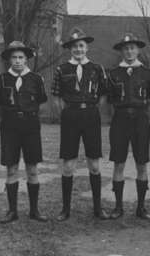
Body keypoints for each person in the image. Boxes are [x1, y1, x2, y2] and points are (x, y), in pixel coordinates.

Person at [51, 27, 109, 221]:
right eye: (75, 46)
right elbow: (57, 98)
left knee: (94, 164)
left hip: (91, 115)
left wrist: (92, 111)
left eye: (81, 46)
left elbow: (102, 95)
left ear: (87, 48)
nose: (78, 49)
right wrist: (67, 114)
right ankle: (66, 209)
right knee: (68, 165)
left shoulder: (96, 68)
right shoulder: (62, 69)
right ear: (70, 49)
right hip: (70, 116)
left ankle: (97, 208)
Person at [0, 41, 48, 223]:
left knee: (32, 168)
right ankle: (12, 211)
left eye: (21, 57)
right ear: (9, 60)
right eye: (14, 57)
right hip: (9, 127)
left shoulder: (36, 79)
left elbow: (41, 100)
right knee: (11, 169)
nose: (17, 61)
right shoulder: (2, 79)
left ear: (26, 59)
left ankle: (34, 210)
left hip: (30, 126)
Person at [107, 33, 150, 220]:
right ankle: (118, 206)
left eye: (132, 48)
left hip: (140, 119)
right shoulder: (113, 74)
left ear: (138, 50)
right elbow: (109, 99)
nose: (129, 51)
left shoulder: (147, 73)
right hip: (120, 119)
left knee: (141, 163)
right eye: (126, 48)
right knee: (119, 163)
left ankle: (141, 207)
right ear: (121, 51)